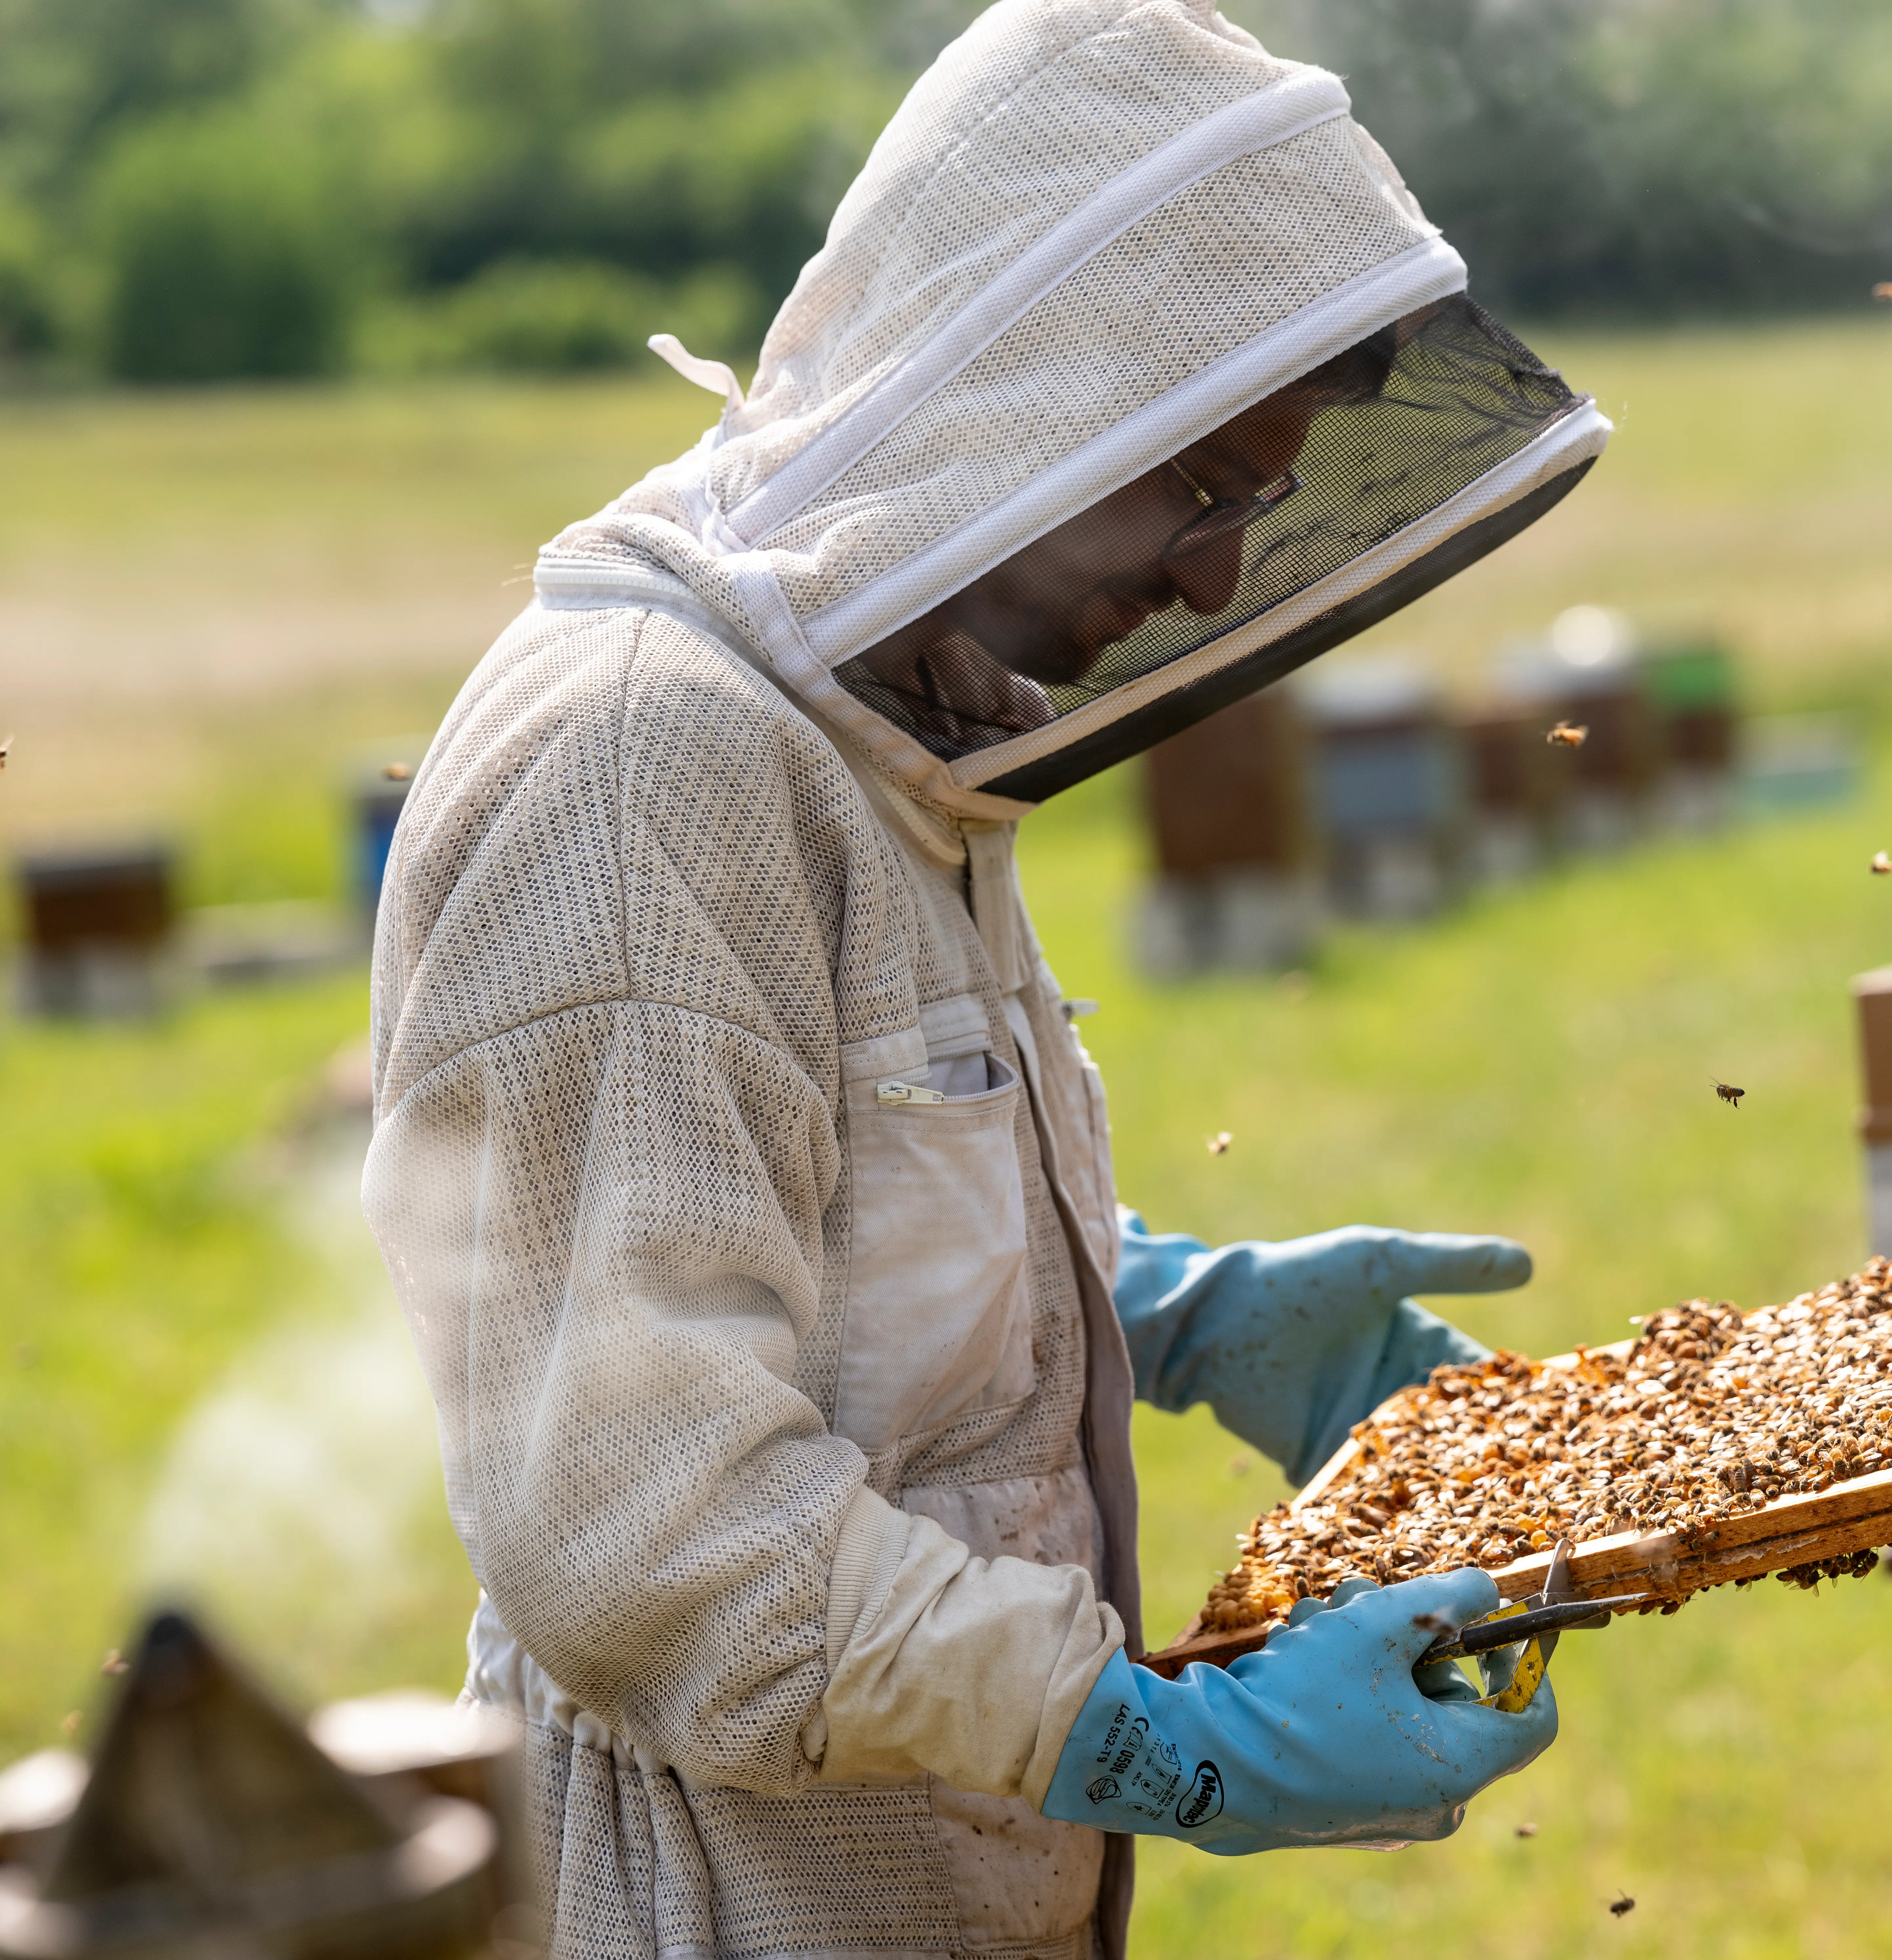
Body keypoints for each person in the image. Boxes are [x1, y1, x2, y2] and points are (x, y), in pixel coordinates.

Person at [361, 2, 1609, 1955]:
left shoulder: (879, 726)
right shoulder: (646, 769)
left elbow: (800, 1214)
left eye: (1252, 501)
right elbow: (648, 1526)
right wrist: (1172, 1739)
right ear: (1023, 401)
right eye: (1200, 485)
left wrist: (1158, 1305)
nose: (1219, 576)